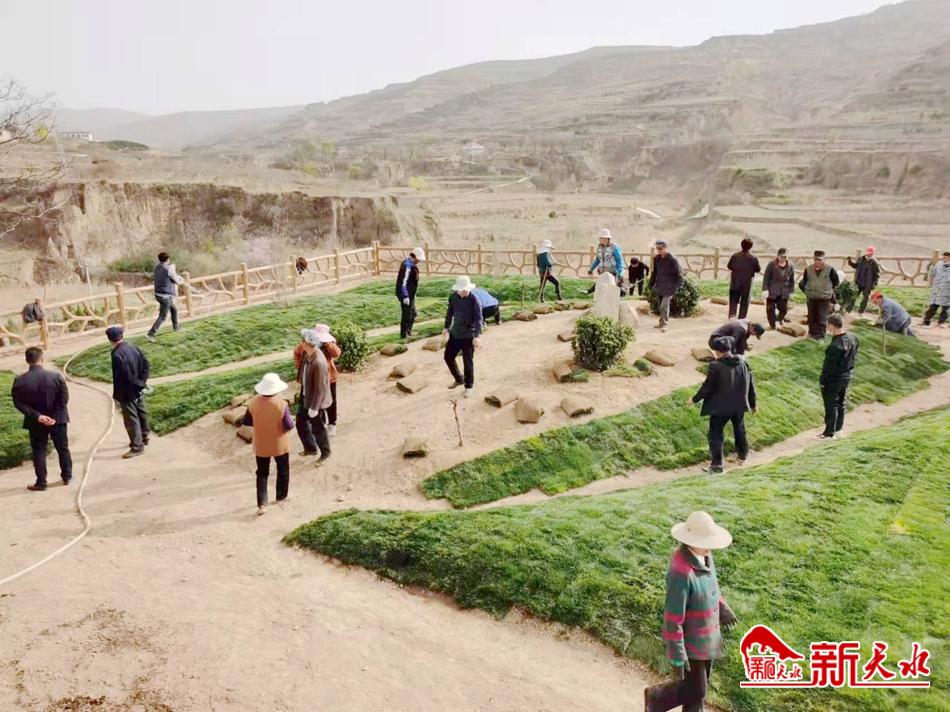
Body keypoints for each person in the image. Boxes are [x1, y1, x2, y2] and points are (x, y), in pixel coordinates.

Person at [643, 511, 737, 712]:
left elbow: (711, 587)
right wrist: (677, 652)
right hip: (691, 642)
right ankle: (655, 698)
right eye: (705, 541)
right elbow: (673, 617)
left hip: (708, 637)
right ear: (690, 540)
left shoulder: (705, 556)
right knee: (698, 689)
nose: (710, 546)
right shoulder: (681, 571)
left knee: (696, 694)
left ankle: (657, 700)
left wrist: (722, 608)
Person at [691, 336, 757, 474]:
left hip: (720, 407)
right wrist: (753, 404)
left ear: (717, 351)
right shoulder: (743, 363)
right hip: (739, 405)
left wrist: (694, 399)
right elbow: (750, 384)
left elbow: (707, 387)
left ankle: (717, 465)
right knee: (739, 430)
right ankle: (742, 456)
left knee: (715, 434)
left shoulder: (715, 366)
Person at [11, 346, 72, 491]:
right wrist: (53, 416)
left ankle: (41, 482)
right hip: (58, 419)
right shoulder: (56, 377)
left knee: (39, 451)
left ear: (27, 360)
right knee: (62, 448)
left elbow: (18, 403)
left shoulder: (20, 380)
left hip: (35, 421)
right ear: (42, 358)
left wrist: (38, 416)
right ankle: (67, 477)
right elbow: (64, 399)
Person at [242, 373, 295, 516]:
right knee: (283, 469)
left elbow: (246, 421)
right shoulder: (281, 404)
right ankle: (281, 496)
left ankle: (262, 504)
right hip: (279, 443)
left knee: (262, 472)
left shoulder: (253, 402)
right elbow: (289, 425)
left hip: (261, 444)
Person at [106, 326, 151, 459]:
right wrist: (142, 383)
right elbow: (146, 364)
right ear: (122, 336)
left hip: (126, 391)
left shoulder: (116, 354)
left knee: (131, 419)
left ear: (110, 339)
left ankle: (137, 447)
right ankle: (145, 437)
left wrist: (118, 394)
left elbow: (124, 376)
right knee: (142, 412)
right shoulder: (133, 347)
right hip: (139, 388)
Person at [817, 314, 858, 440]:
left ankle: (829, 433)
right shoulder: (853, 338)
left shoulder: (834, 346)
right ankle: (839, 430)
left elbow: (829, 367)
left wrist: (823, 380)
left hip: (834, 379)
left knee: (831, 405)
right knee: (841, 403)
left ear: (831, 326)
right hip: (847, 375)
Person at [442, 275, 483, 398]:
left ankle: (469, 386)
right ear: (457, 289)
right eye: (461, 290)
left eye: (465, 289)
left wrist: (477, 335)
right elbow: (449, 313)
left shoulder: (474, 300)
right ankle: (459, 378)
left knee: (467, 361)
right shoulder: (453, 297)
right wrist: (446, 327)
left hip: (468, 334)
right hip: (456, 332)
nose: (464, 292)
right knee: (448, 357)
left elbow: (478, 318)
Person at [296, 328, 332, 462]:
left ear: (307, 343)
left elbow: (321, 388)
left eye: (302, 341)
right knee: (300, 423)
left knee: (318, 429)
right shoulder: (308, 353)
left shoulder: (319, 362)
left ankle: (325, 453)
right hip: (306, 396)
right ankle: (310, 448)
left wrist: (314, 408)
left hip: (316, 401)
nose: (300, 343)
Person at [798, 250, 840, 340]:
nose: (817, 262)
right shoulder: (808, 269)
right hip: (811, 297)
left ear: (824, 259)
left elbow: (836, 282)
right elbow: (803, 282)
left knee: (822, 317)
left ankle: (821, 336)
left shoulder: (830, 270)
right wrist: (807, 292)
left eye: (819, 260)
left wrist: (828, 291)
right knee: (811, 317)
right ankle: (812, 333)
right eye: (815, 259)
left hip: (824, 298)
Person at [146, 251, 185, 342]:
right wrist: (180, 280)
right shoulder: (168, 269)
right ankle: (151, 334)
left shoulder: (157, 267)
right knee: (163, 316)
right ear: (167, 259)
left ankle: (176, 327)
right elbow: (176, 281)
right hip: (165, 296)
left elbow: (168, 276)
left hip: (158, 294)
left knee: (174, 310)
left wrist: (177, 276)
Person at [648, 239, 683, 332]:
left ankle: (665, 325)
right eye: (657, 249)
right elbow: (655, 272)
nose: (659, 250)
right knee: (661, 305)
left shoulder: (672, 259)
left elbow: (680, 274)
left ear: (665, 248)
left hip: (670, 286)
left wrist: (676, 287)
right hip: (660, 285)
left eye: (660, 248)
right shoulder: (657, 258)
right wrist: (651, 284)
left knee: (664, 305)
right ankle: (661, 323)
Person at [315, 324, 342, 437]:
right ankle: (322, 423)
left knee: (332, 401)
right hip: (316, 378)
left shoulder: (330, 344)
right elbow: (298, 353)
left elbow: (337, 353)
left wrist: (328, 344)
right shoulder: (311, 343)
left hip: (330, 378)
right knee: (319, 401)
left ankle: (332, 423)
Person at [726, 238, 761, 319]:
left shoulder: (735, 256)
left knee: (733, 299)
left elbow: (729, 266)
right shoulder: (753, 258)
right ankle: (741, 318)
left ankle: (732, 316)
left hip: (735, 282)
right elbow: (758, 269)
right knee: (745, 301)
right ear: (751, 247)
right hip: (747, 283)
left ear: (741, 245)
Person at [396, 246, 426, 339]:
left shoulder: (412, 265)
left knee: (413, 313)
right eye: (418, 259)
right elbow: (403, 282)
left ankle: (408, 332)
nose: (419, 261)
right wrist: (405, 296)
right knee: (407, 314)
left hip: (410, 294)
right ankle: (404, 335)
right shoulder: (407, 266)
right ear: (415, 257)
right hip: (406, 294)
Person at [761, 248, 795, 329]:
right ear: (778, 256)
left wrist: (791, 291)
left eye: (785, 257)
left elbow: (792, 280)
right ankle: (772, 325)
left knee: (783, 309)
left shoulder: (790, 265)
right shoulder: (771, 264)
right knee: (770, 309)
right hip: (772, 290)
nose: (784, 258)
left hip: (784, 291)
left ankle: (779, 318)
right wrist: (765, 289)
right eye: (782, 257)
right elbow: (766, 277)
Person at [847, 246, 880, 314]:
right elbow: (855, 266)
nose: (869, 254)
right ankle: (848, 310)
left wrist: (874, 284)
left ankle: (861, 312)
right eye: (868, 253)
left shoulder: (874, 263)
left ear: (872, 253)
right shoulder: (861, 259)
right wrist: (850, 262)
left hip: (867, 284)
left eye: (870, 253)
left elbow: (876, 275)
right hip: (858, 282)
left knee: (865, 298)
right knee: (854, 296)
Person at [922, 250, 950, 328]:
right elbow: (931, 273)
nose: (945, 259)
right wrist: (929, 282)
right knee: (933, 306)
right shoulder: (938, 264)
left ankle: (941, 322)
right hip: (937, 289)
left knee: (946, 308)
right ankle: (926, 321)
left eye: (947, 257)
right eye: (944, 257)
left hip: (947, 290)